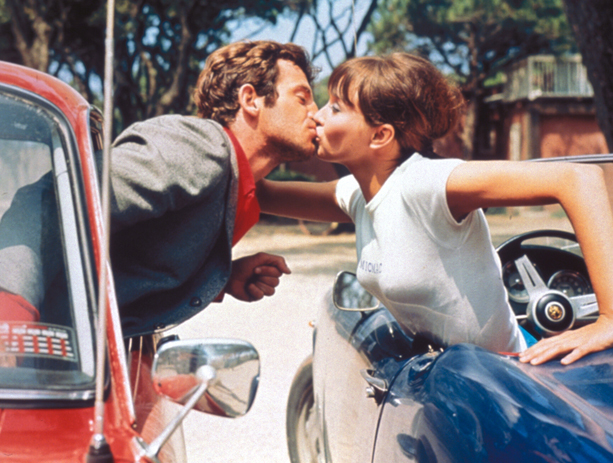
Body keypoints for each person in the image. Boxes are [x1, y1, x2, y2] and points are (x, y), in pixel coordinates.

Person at [256, 52, 613, 365]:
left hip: (510, 380)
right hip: (447, 383)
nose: (316, 115)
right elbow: (260, 194)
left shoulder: (425, 182)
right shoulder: (358, 194)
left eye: (335, 108)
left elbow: (577, 179)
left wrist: (609, 320)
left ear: (380, 135)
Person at [0, 40, 320, 338]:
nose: (316, 113)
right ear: (250, 100)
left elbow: (130, 259)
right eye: (302, 98)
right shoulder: (201, 149)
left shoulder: (236, 182)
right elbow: (49, 201)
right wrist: (9, 315)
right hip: (30, 350)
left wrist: (221, 277)